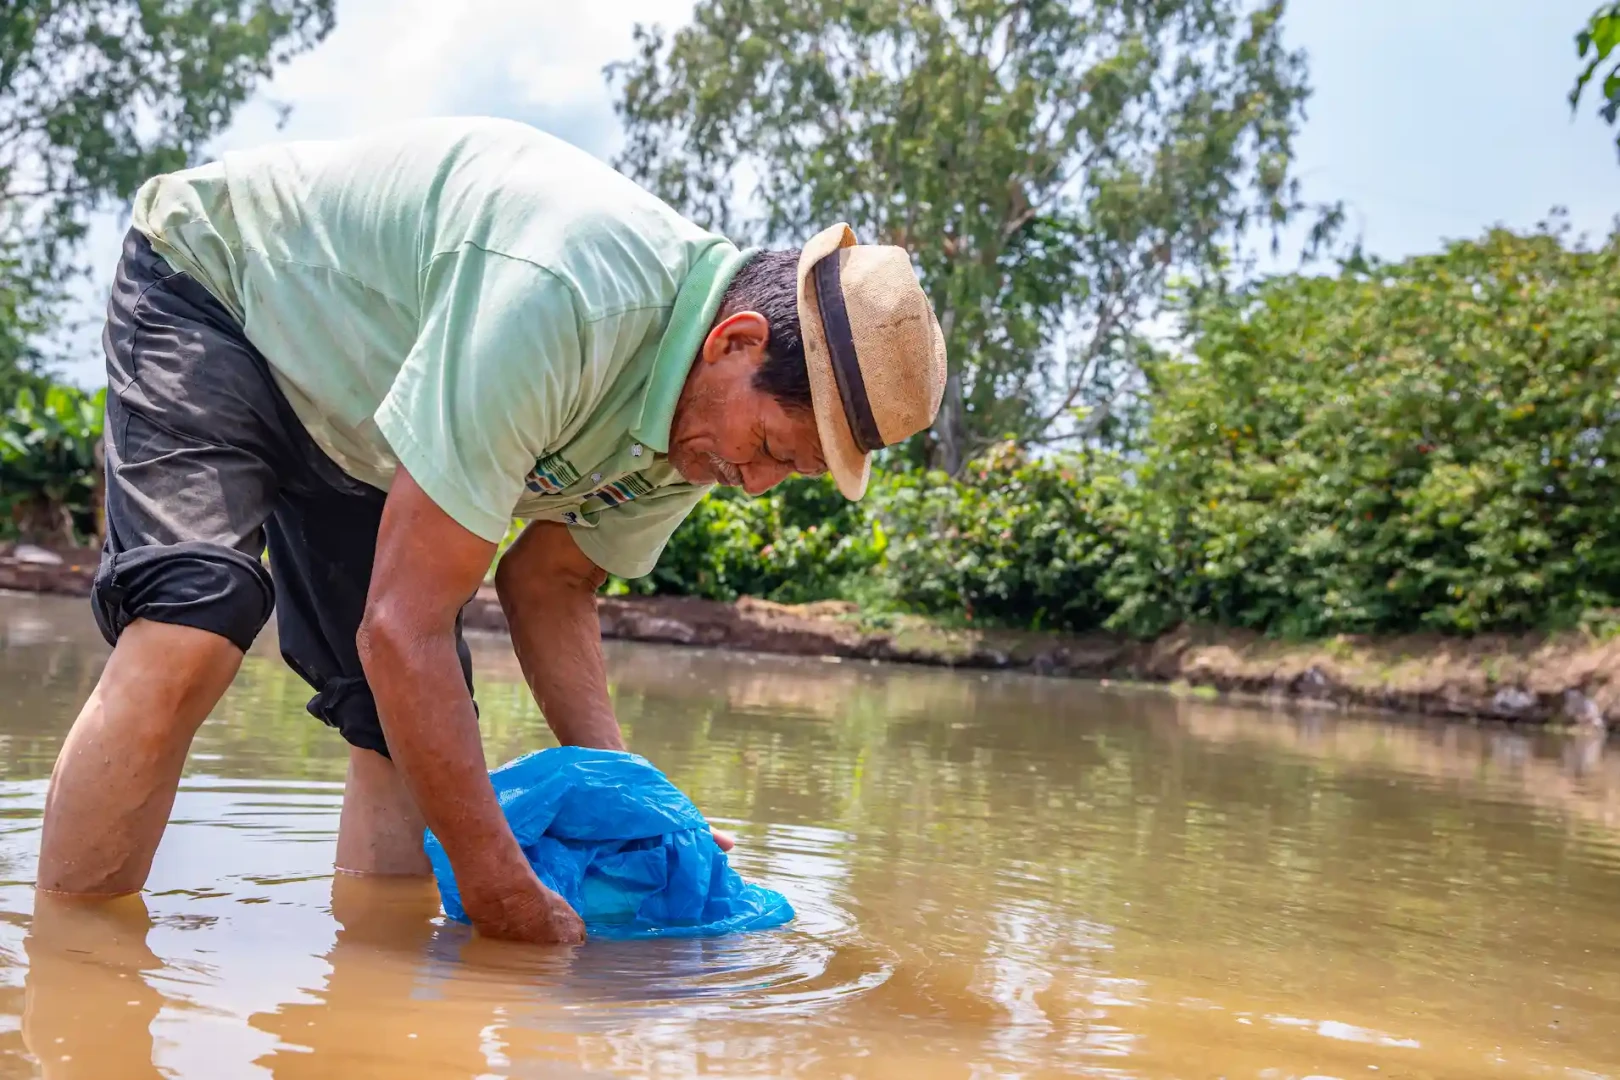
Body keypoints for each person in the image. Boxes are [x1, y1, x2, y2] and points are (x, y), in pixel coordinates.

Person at [34, 116, 947, 945]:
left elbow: (552, 583)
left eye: (790, 472)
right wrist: (500, 890)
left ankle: (375, 1009)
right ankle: (68, 973)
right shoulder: (565, 296)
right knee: (194, 622)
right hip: (224, 291)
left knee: (405, 735)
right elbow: (403, 629)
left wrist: (635, 806)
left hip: (370, 422)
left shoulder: (698, 434)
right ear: (735, 342)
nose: (755, 482)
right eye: (770, 448)